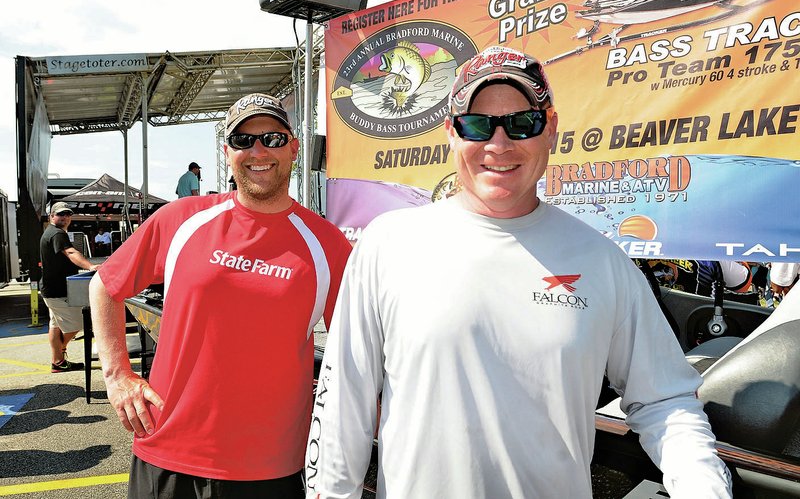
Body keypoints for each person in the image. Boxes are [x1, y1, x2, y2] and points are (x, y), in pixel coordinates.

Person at [305, 46, 732, 498]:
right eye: (477, 125)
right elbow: (342, 407)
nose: (499, 144)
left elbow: (666, 400)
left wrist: (704, 487)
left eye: (522, 124)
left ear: (550, 130)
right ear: (451, 133)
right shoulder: (387, 244)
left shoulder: (604, 263)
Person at [89, 92, 352, 498]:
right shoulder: (182, 219)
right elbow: (105, 286)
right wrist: (118, 376)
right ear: (228, 152)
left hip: (271, 466)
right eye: (244, 141)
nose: (258, 151)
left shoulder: (328, 244)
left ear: (294, 148)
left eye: (273, 139)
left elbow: (356, 349)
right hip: (168, 451)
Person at [40, 201, 101, 373]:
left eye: (67, 214)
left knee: (56, 325)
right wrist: (90, 266)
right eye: (60, 214)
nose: (65, 217)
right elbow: (71, 252)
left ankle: (57, 361)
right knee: (78, 323)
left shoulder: (51, 232)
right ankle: (59, 355)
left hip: (51, 289)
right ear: (52, 216)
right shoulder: (57, 234)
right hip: (57, 292)